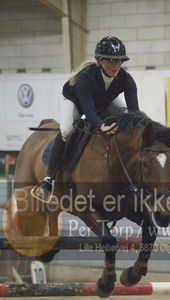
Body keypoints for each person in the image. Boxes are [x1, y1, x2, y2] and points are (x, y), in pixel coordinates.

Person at [33, 36, 139, 202]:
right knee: (67, 130)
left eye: (119, 61)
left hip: (103, 99)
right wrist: (100, 125)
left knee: (126, 115)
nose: (116, 65)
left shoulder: (127, 79)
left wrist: (137, 129)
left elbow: (135, 113)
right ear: (99, 60)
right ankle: (48, 179)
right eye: (110, 60)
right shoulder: (85, 77)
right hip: (74, 100)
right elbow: (89, 111)